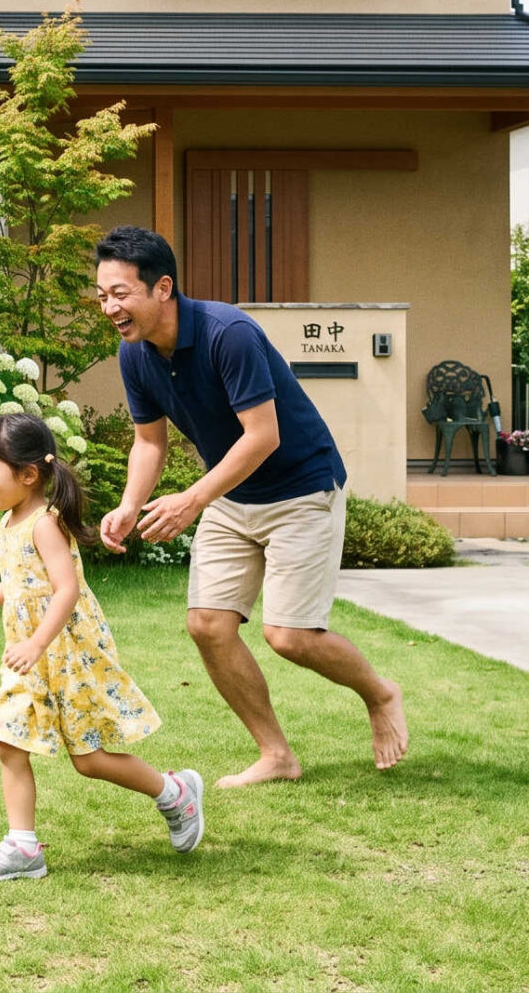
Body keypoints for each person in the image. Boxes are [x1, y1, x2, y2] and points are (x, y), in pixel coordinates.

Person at [92, 225, 408, 788]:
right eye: (101, 295)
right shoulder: (134, 355)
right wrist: (128, 504)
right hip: (233, 494)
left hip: (301, 488)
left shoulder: (228, 334)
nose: (109, 307)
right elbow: (149, 441)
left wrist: (193, 499)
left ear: (162, 287)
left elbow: (263, 435)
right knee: (208, 625)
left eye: (120, 293)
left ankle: (380, 694)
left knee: (290, 636)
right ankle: (276, 755)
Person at [0, 412, 206, 882]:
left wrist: (36, 642)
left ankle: (175, 794)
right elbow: (19, 582)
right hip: (29, 658)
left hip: (66, 653)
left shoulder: (45, 524)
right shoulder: (9, 521)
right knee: (8, 738)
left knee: (89, 760)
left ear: (28, 475)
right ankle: (22, 847)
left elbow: (65, 589)